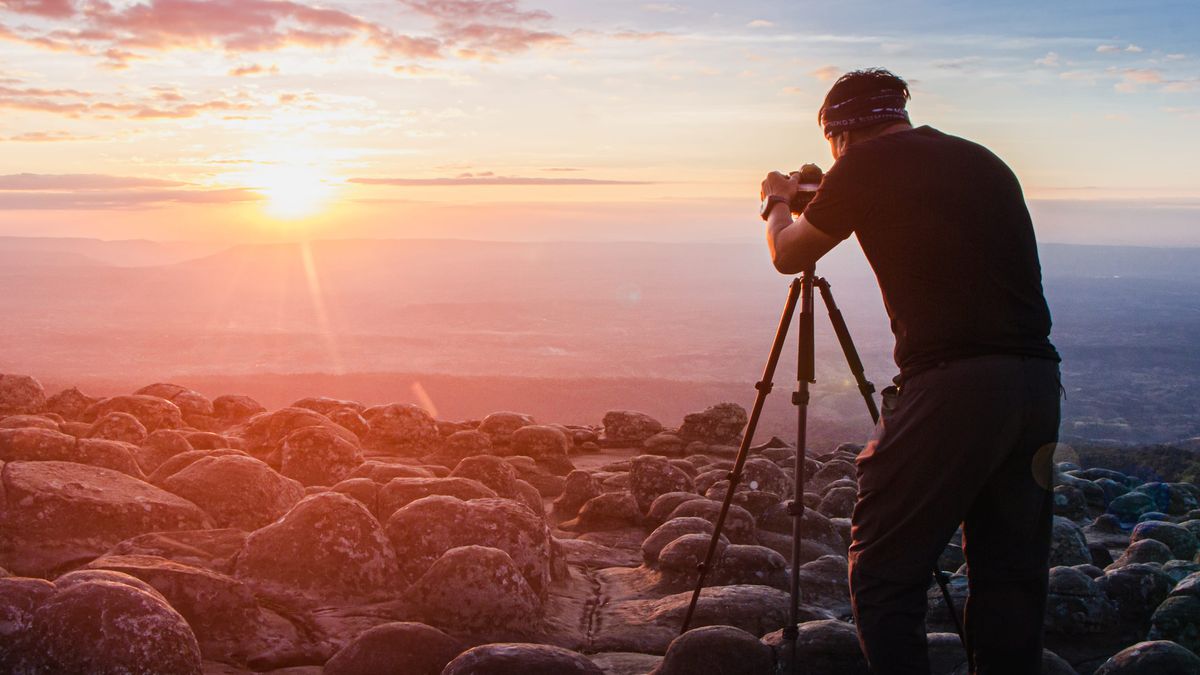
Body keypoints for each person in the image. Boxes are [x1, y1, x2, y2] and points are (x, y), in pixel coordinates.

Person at [759, 68, 1062, 674]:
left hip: (951, 385)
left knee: (881, 569)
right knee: (1010, 575)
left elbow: (789, 255)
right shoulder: (981, 160)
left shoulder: (865, 165)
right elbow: (918, 210)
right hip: (1035, 385)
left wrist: (775, 202)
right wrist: (828, 191)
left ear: (838, 132)